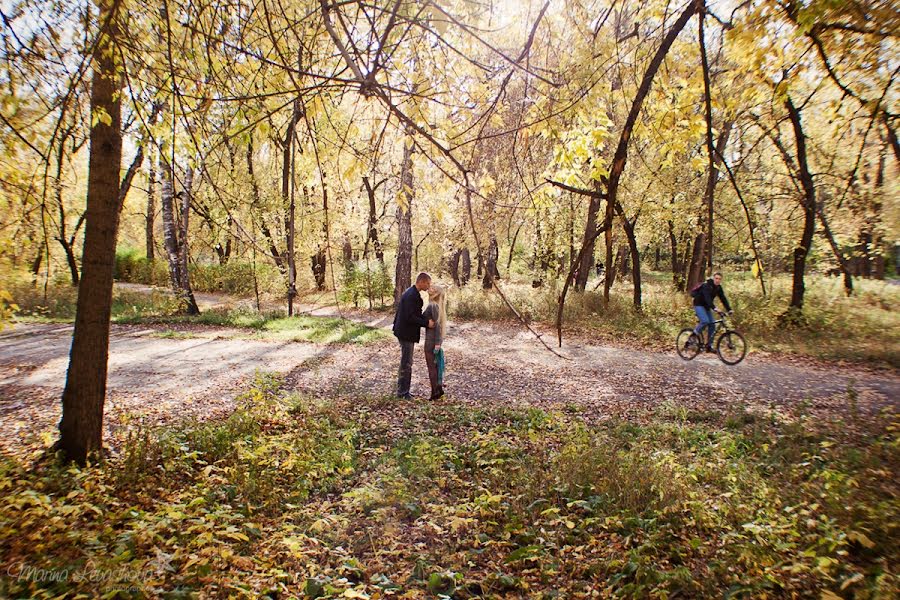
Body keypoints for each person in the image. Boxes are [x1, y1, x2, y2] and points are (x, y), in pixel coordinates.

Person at [392, 272, 434, 399]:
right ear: (421, 281)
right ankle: (403, 392)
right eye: (427, 283)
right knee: (407, 362)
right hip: (405, 333)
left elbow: (415, 313)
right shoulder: (411, 295)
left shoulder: (413, 293)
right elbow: (410, 317)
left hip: (405, 332)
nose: (428, 286)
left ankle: (403, 390)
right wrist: (426, 323)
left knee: (406, 362)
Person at [693, 271, 732, 352]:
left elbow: (723, 299)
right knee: (705, 321)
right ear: (713, 278)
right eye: (716, 278)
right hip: (699, 305)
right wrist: (715, 308)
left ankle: (709, 346)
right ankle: (693, 336)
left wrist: (729, 309)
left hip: (707, 307)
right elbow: (707, 299)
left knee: (712, 324)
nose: (717, 280)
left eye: (719, 279)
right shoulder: (706, 285)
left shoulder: (718, 287)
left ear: (721, 280)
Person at [422, 284, 447, 400]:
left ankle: (435, 392)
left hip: (431, 341)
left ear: (435, 293)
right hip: (434, 340)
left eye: (432, 288)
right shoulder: (436, 306)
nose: (429, 288)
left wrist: (437, 343)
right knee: (436, 366)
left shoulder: (432, 306)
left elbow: (437, 326)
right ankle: (438, 388)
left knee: (431, 366)